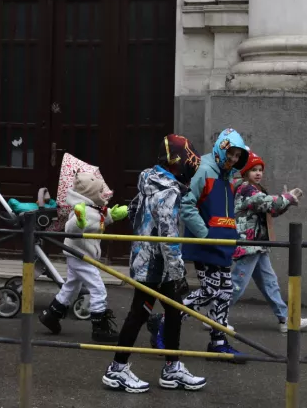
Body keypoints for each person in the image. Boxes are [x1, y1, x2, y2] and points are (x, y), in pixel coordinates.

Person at [101, 135, 207, 394]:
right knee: (139, 312)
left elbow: (135, 213)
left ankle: (172, 368)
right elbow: (169, 238)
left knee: (173, 312)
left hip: (147, 259)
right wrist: (179, 272)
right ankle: (117, 369)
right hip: (156, 267)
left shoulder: (150, 182)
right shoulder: (168, 192)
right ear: (178, 163)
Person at [148, 127, 248, 360]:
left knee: (224, 292)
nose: (232, 159)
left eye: (237, 156)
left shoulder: (229, 175)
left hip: (223, 244)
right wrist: (205, 234)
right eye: (230, 154)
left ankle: (219, 341)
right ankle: (163, 323)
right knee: (210, 290)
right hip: (205, 245)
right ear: (221, 148)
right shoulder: (203, 170)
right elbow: (186, 205)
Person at [38, 172, 128, 342]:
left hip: (80, 255)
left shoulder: (94, 207)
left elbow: (98, 221)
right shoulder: (82, 209)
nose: (105, 194)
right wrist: (79, 222)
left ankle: (52, 315)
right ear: (91, 193)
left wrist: (113, 216)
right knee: (98, 289)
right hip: (80, 256)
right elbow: (71, 229)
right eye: (101, 191)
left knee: (72, 286)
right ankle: (99, 327)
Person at [230, 151, 307, 333]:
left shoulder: (253, 189)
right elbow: (267, 203)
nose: (258, 173)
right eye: (253, 170)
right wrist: (287, 198)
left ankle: (286, 319)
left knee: (270, 282)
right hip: (249, 244)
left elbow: (270, 210)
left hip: (257, 244)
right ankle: (214, 316)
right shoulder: (245, 189)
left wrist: (286, 202)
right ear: (244, 172)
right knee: (237, 284)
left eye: (260, 170)